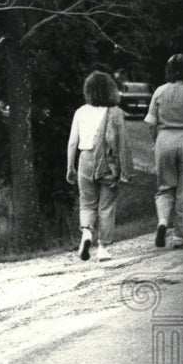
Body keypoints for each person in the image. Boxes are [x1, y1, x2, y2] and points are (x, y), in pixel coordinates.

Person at [66, 70, 134, 262]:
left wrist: (70, 167)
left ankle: (86, 234)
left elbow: (72, 142)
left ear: (88, 90)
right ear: (111, 90)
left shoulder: (80, 112)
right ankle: (103, 248)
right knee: (106, 206)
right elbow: (122, 143)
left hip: (85, 160)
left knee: (86, 203)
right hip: (108, 162)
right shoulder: (116, 113)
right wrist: (125, 170)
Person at [144, 53, 183, 248]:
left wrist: (157, 142)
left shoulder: (159, 92)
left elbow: (151, 124)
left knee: (164, 187)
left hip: (164, 141)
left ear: (168, 71)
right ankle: (179, 235)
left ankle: (162, 222)